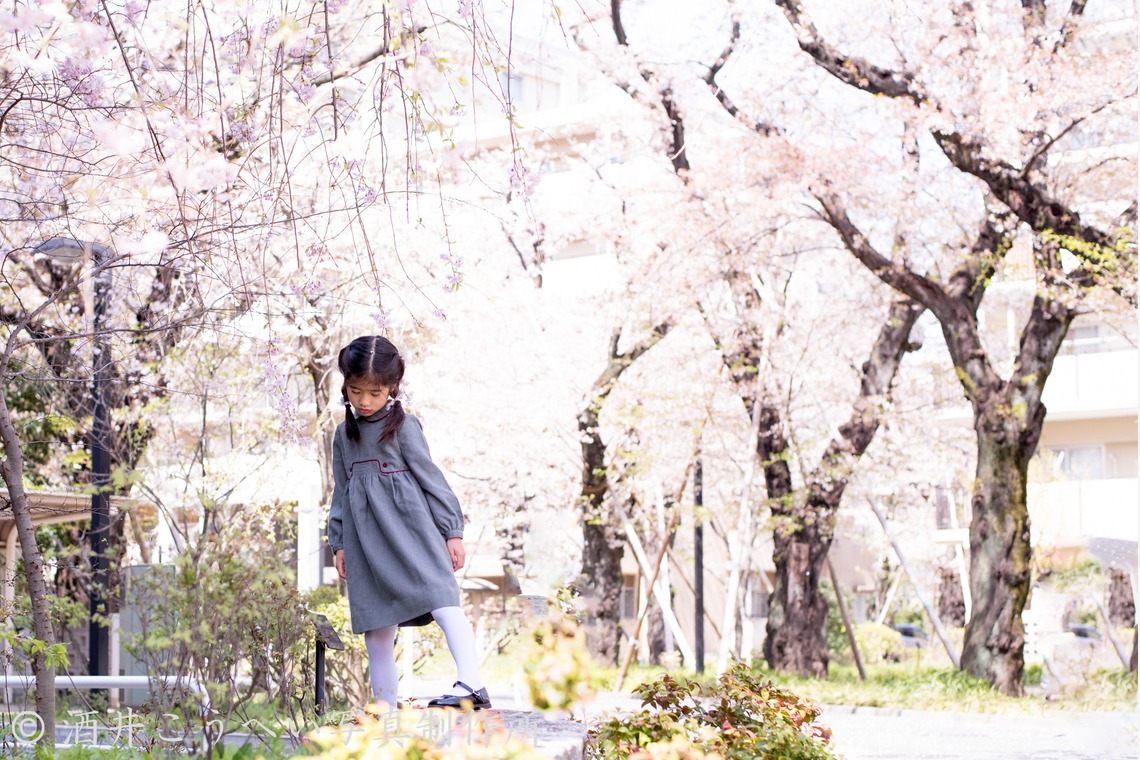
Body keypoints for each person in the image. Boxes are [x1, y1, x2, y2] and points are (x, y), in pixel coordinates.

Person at [326, 335, 490, 710]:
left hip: (413, 534)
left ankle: (472, 684)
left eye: (375, 392)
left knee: (443, 600)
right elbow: (341, 491)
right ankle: (384, 709)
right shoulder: (342, 436)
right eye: (355, 391)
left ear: (392, 389)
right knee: (377, 627)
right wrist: (339, 543)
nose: (364, 401)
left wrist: (452, 531)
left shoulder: (404, 427)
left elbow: (432, 479)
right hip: (366, 542)